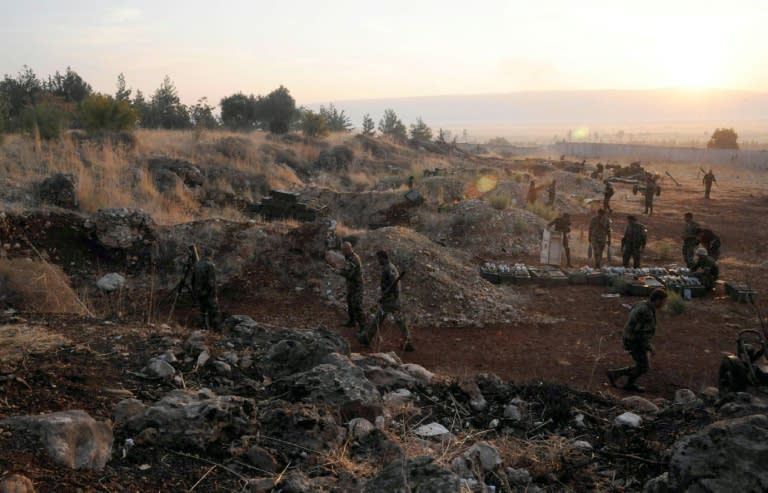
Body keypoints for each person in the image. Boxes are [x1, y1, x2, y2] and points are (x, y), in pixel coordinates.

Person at [607, 288, 668, 393]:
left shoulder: (642, 304)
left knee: (641, 365)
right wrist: (649, 347)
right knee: (643, 367)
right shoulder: (646, 311)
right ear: (658, 300)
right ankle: (616, 374)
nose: (664, 304)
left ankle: (627, 382)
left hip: (631, 338)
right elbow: (641, 333)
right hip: (634, 341)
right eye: (663, 301)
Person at [359, 250, 414, 352]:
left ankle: (367, 338)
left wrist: (388, 296)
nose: (378, 261)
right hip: (394, 301)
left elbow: (395, 285)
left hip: (389, 301)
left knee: (378, 320)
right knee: (400, 321)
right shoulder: (391, 267)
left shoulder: (388, 269)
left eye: (378, 259)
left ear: (382, 258)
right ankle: (408, 342)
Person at [338, 242, 366, 334]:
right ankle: (352, 322)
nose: (342, 252)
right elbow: (346, 269)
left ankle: (363, 327)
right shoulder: (348, 257)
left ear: (347, 249)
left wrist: (338, 272)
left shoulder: (354, 259)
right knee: (350, 302)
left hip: (357, 286)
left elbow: (350, 275)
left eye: (343, 250)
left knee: (357, 306)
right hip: (351, 285)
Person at [191, 247, 220, 330]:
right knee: (214, 313)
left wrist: (195, 292)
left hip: (199, 293)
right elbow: (211, 283)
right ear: (211, 255)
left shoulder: (197, 264)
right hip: (209, 294)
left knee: (203, 312)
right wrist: (214, 296)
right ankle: (216, 332)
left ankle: (204, 330)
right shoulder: (210, 265)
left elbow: (192, 280)